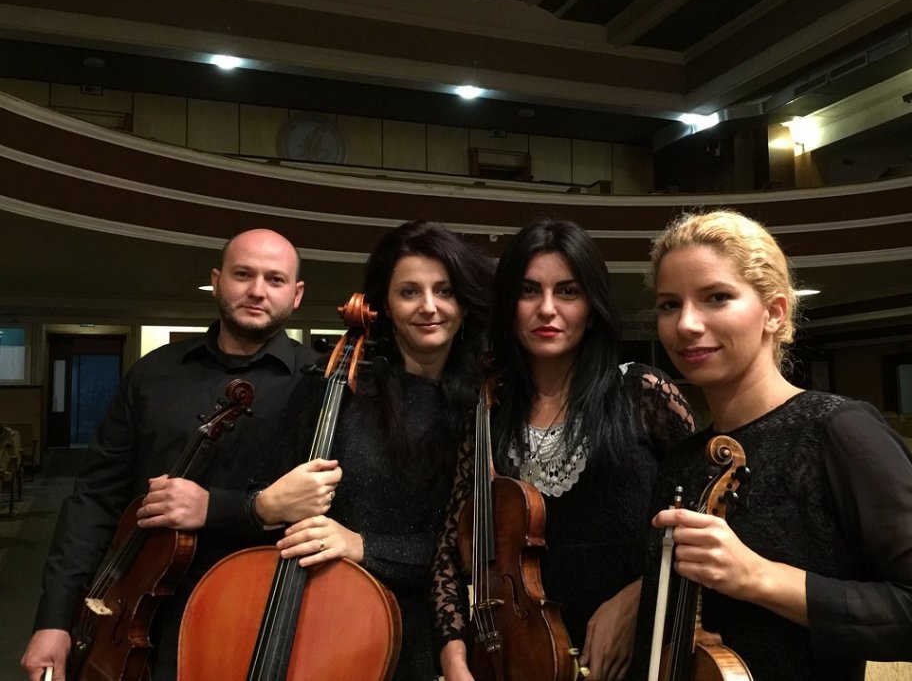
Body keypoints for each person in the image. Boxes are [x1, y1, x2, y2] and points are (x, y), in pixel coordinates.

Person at [629, 209, 912, 680]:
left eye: (716, 297)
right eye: (670, 304)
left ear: (774, 312)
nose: (686, 324)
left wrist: (758, 577)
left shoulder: (840, 431)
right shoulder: (682, 462)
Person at [21, 228, 322, 681]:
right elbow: (96, 500)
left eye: (275, 279)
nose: (257, 290)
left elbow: (331, 507)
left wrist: (216, 508)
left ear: (296, 295)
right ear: (218, 280)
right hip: (132, 607)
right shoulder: (153, 373)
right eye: (243, 274)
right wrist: (54, 618)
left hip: (258, 616)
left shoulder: (320, 385)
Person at [434, 219, 695, 681]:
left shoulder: (643, 393)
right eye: (529, 291)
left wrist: (639, 594)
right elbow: (454, 551)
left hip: (636, 656)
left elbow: (700, 521)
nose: (547, 309)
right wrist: (454, 655)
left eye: (568, 291)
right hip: (519, 661)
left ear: (592, 307)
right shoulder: (487, 413)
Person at [248, 220, 494, 680]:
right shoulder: (334, 387)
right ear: (383, 304)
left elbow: (475, 552)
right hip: (320, 623)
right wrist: (263, 505)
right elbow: (263, 495)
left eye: (444, 290)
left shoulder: (488, 405)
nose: (429, 307)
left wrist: (364, 545)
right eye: (409, 292)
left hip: (433, 636)